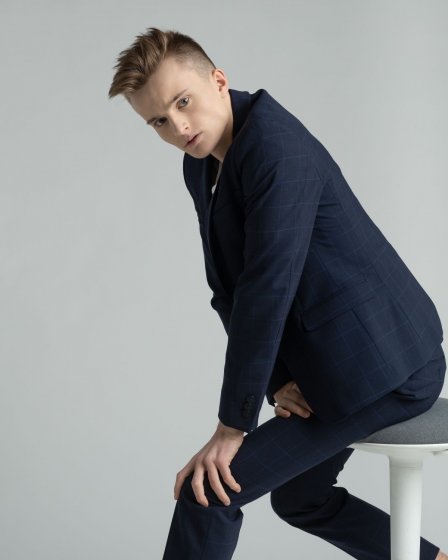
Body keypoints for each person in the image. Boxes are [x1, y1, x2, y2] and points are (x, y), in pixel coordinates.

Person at [108, 27, 447, 560]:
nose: (178, 127)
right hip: (336, 358)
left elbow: (267, 290)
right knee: (300, 499)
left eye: (182, 102)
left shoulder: (276, 150)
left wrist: (232, 427)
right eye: (158, 121)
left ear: (219, 81)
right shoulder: (201, 163)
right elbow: (228, 287)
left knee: (207, 494)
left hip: (389, 363)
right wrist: (277, 382)